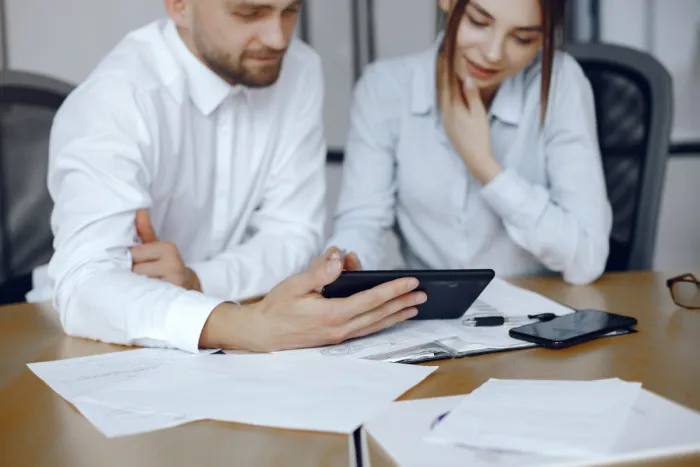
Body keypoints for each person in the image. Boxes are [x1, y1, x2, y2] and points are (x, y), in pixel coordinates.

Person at [35, 0, 426, 353]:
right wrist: (246, 326)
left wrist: (197, 281)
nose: (277, 38)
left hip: (232, 339)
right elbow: (84, 285)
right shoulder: (117, 97)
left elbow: (292, 235)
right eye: (249, 13)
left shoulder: (299, 70)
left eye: (291, 10)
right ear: (179, 6)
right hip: (82, 342)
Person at [329, 0, 613, 285]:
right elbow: (363, 223)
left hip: (541, 311)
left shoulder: (560, 84)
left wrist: (485, 167)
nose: (492, 54)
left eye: (523, 38)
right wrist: (346, 266)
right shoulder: (385, 87)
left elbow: (586, 258)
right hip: (428, 311)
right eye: (478, 22)